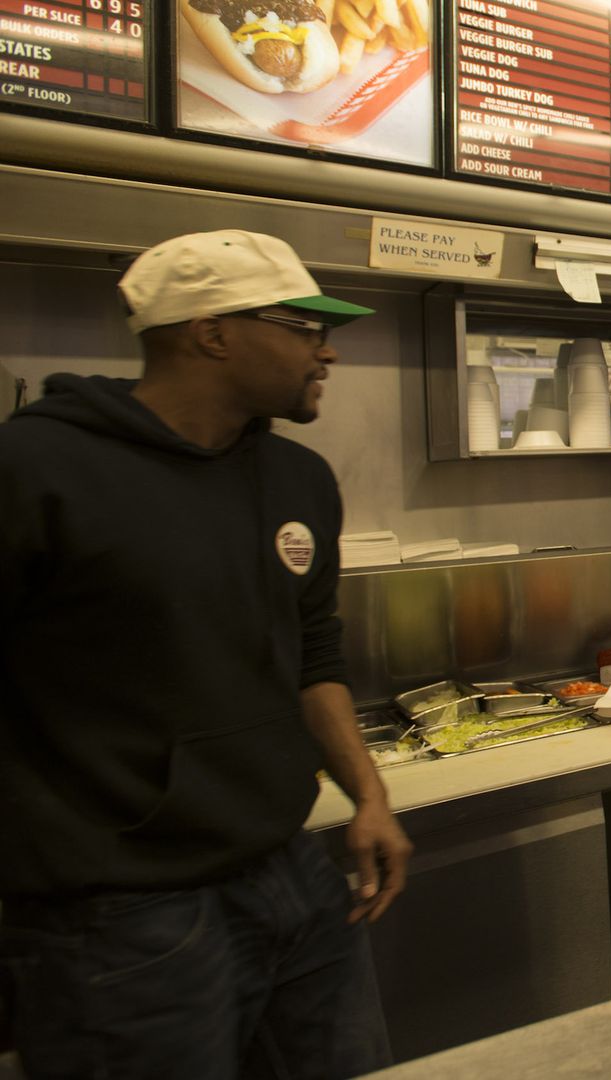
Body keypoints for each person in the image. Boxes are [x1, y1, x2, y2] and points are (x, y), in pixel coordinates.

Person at [0, 230, 410, 1078]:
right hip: (114, 912)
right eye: (302, 326)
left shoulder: (297, 480)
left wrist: (368, 795)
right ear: (211, 332)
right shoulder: (37, 467)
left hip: (289, 870)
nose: (326, 349)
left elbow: (315, 655)